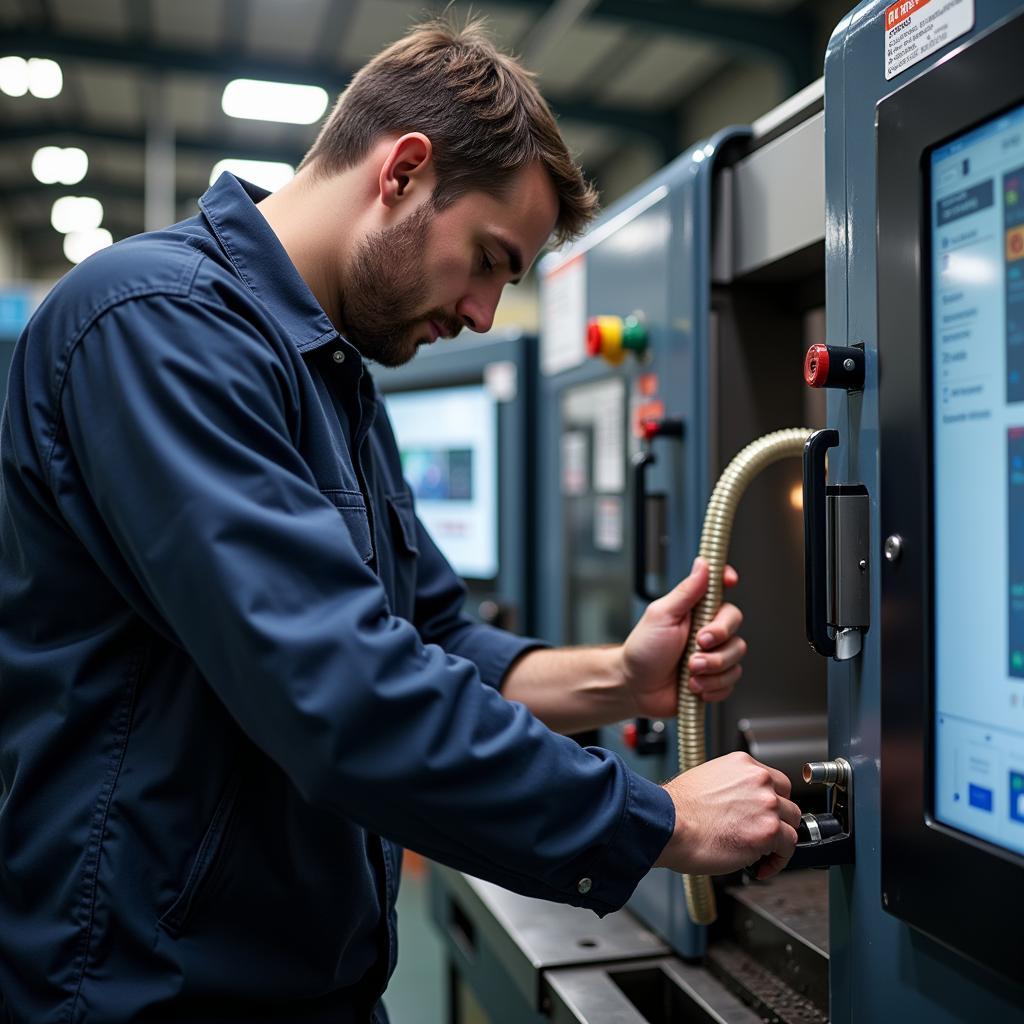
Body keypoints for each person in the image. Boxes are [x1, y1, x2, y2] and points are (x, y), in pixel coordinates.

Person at [0, 18, 801, 1024]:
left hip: (308, 983)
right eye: (486, 260)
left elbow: (430, 637)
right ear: (404, 171)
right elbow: (340, 696)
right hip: (149, 991)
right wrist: (655, 820)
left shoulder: (332, 378)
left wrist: (618, 675)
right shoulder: (155, 324)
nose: (478, 314)